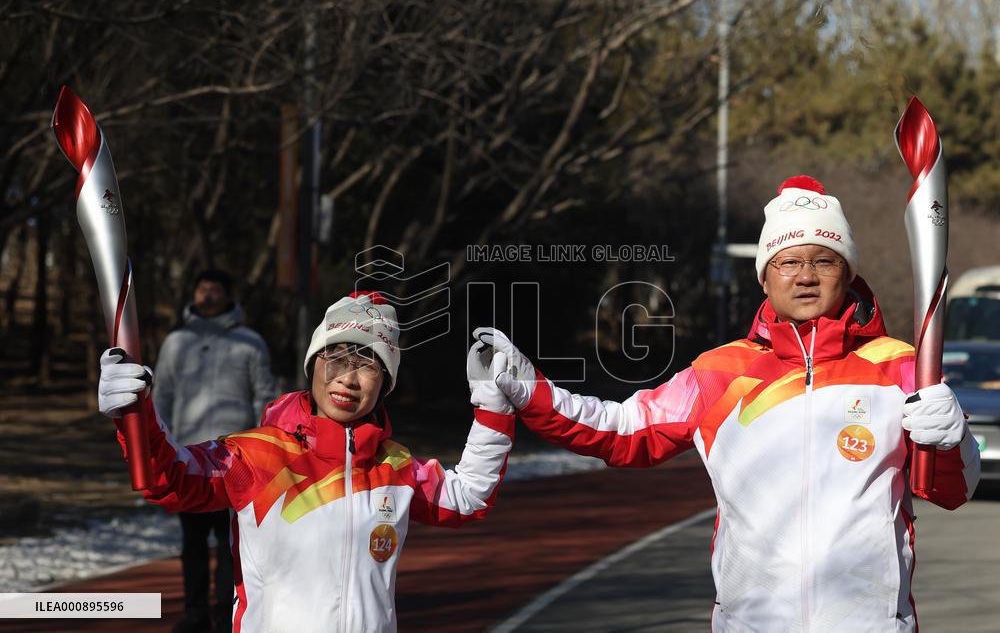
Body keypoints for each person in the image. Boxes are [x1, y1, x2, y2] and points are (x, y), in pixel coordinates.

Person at [475, 175, 981, 632]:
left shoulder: (901, 367)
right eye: (788, 262)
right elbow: (619, 430)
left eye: (823, 260)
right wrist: (528, 387)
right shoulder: (720, 374)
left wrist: (953, 439)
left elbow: (955, 489)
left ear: (847, 272)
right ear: (765, 276)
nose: (805, 275)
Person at [98, 290, 514, 633]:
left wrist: (493, 407)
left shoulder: (396, 467)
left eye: (368, 365)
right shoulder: (256, 454)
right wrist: (135, 414)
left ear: (384, 383)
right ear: (314, 362)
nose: (348, 379)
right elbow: (165, 477)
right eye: (337, 358)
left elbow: (470, 497)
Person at [152, 269, 276, 633]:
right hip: (187, 457)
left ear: (228, 296)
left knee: (229, 542)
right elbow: (162, 397)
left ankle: (226, 614)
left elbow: (264, 397)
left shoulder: (250, 342)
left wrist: (264, 449)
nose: (208, 296)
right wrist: (161, 446)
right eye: (202, 289)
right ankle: (194, 614)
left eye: (215, 290)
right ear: (194, 293)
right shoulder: (176, 342)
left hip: (236, 460)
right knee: (192, 541)